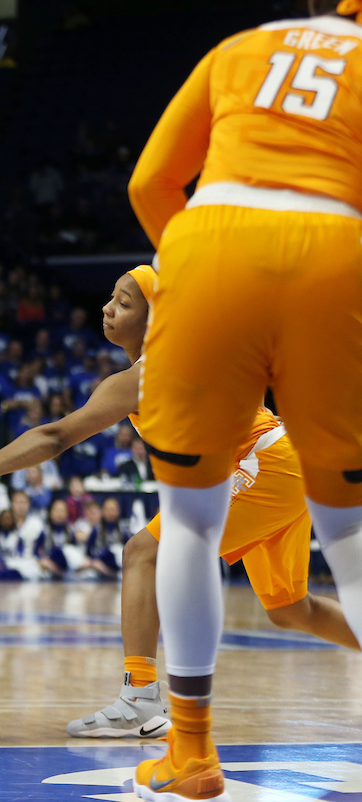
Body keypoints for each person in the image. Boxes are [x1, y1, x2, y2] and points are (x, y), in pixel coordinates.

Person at [0, 266, 360, 757]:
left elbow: (54, 436)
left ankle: (139, 696)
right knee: (288, 609)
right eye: (111, 297)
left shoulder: (153, 371)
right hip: (284, 462)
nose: (108, 307)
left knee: (142, 553)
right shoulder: (153, 370)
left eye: (125, 302)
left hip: (269, 462)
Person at [125, 2, 362, 796]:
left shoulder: (238, 46)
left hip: (211, 244)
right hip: (336, 247)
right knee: (350, 533)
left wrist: (203, 273)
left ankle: (191, 754)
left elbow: (150, 180)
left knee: (188, 523)